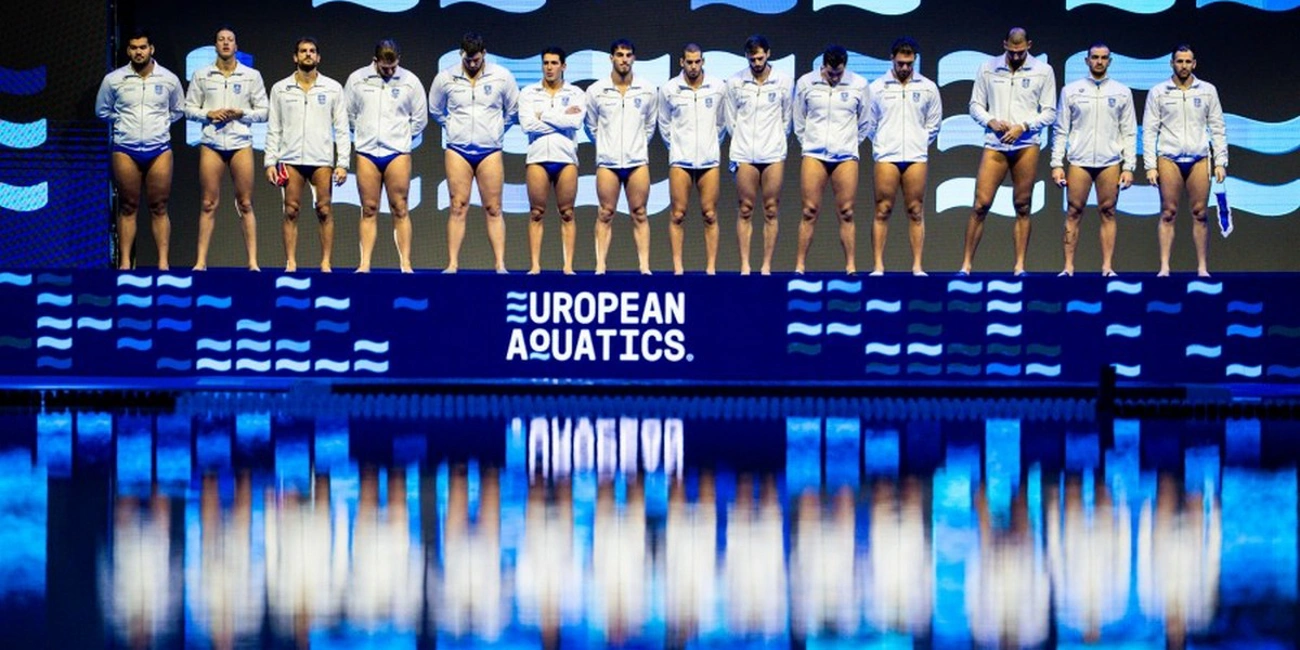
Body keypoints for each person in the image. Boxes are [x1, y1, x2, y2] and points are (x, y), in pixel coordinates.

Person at [962, 28, 1057, 276]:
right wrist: (990, 121)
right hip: (995, 144)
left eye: (1020, 52)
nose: (1015, 56)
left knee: (1023, 205)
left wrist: (1023, 126)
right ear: (1004, 44)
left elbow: (1050, 112)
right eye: (1012, 51)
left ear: (1029, 45)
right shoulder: (987, 68)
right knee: (980, 204)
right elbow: (974, 105)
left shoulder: (1043, 71)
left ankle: (1019, 267)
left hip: (1026, 144)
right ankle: (966, 266)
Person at [429, 32, 519, 273]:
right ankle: (452, 264)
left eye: (476, 59)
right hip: (457, 150)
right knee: (457, 206)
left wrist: (496, 130)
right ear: (461, 54)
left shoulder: (501, 76)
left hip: (490, 151)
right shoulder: (446, 77)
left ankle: (500, 264)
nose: (471, 63)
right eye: (468, 59)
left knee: (494, 208)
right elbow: (435, 109)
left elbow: (513, 110)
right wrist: (451, 127)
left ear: (484, 54)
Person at [95, 28, 184, 270]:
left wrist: (159, 123)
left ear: (151, 49)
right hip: (125, 149)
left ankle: (163, 263)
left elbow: (178, 110)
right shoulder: (114, 80)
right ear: (128, 51)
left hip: (159, 149)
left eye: (143, 47)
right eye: (134, 48)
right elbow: (101, 110)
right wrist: (123, 121)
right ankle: (125, 263)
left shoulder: (168, 79)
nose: (138, 52)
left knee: (159, 206)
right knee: (127, 206)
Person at [184, 26, 268, 271]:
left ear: (236, 46)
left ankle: (252, 262)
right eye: (221, 39)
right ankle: (200, 262)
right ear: (215, 46)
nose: (225, 43)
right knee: (208, 203)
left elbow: (264, 112)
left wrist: (242, 113)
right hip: (211, 143)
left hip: (240, 143)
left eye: (230, 39)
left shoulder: (251, 76)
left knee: (245, 203)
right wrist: (208, 114)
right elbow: (188, 108)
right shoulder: (202, 75)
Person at [263, 37, 350, 272]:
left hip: (321, 158)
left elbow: (342, 128)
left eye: (312, 51)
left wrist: (343, 163)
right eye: (303, 51)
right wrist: (270, 162)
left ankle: (326, 262)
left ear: (318, 57)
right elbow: (274, 127)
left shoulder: (332, 88)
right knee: (290, 210)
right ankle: (291, 262)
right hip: (291, 158)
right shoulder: (281, 88)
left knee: (324, 209)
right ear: (295, 57)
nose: (308, 54)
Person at [1051, 43, 1136, 277]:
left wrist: (1129, 166)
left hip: (1110, 160)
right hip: (1079, 160)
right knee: (1073, 211)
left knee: (1108, 212)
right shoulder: (1071, 90)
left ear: (1110, 61)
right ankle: (1068, 267)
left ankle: (1107, 267)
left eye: (1104, 58)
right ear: (1087, 60)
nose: (1099, 61)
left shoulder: (1122, 92)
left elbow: (1129, 132)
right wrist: (1056, 164)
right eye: (1095, 57)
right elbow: (1060, 130)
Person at [1142, 45, 1227, 277]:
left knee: (1200, 213)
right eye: (1179, 61)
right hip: (1169, 157)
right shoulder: (1159, 92)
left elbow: (1217, 127)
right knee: (1168, 212)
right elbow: (1149, 131)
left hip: (1199, 158)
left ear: (1194, 64)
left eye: (1188, 61)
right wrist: (1150, 166)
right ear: (1172, 63)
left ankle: (1202, 267)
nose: (1184, 66)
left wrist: (1221, 161)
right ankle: (1164, 267)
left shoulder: (1207, 90)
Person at [344, 39, 428, 273]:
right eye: (384, 68)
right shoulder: (357, 79)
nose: (389, 72)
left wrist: (401, 137)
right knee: (369, 208)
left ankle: (406, 264)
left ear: (398, 60)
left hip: (397, 152)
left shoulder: (410, 81)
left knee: (400, 208)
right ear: (375, 61)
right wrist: (364, 133)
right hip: (367, 152)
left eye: (393, 67)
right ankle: (364, 264)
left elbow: (420, 118)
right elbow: (348, 114)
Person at [866, 37, 942, 276]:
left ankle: (917, 266)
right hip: (886, 156)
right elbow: (869, 124)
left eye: (909, 64)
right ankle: (878, 265)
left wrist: (918, 142)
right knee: (882, 210)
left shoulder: (928, 87)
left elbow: (934, 123)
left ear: (915, 60)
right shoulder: (877, 88)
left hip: (915, 156)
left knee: (916, 211)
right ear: (892, 59)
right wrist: (882, 143)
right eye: (900, 63)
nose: (905, 68)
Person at [793, 45, 871, 275]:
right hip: (814, 154)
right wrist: (810, 143)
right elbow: (799, 120)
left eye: (839, 73)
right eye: (830, 73)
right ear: (823, 66)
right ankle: (799, 266)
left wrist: (849, 144)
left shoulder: (859, 85)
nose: (835, 77)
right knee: (809, 210)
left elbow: (865, 123)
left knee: (847, 211)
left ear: (845, 67)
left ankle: (851, 266)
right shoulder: (806, 83)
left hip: (845, 155)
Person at [585, 38, 658, 274]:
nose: (624, 60)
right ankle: (600, 266)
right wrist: (606, 146)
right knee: (605, 213)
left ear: (634, 58)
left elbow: (650, 125)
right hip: (608, 162)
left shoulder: (647, 89)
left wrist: (637, 146)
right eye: (619, 55)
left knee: (640, 213)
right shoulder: (596, 91)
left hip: (637, 161)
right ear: (611, 58)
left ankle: (644, 267)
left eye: (628, 55)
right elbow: (591, 126)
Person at [724, 35, 793, 276]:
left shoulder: (784, 81)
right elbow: (731, 120)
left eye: (760, 58)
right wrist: (743, 142)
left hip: (773, 154)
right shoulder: (735, 82)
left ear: (769, 54)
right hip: (744, 153)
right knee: (745, 209)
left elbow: (786, 119)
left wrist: (775, 142)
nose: (756, 63)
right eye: (752, 59)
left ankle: (766, 266)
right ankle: (745, 265)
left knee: (771, 209)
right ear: (746, 57)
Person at [659, 43, 727, 275]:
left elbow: (721, 123)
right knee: (678, 214)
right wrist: (678, 147)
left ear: (703, 61)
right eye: (689, 62)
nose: (693, 66)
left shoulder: (717, 87)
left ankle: (711, 269)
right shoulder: (670, 89)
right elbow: (664, 124)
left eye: (697, 62)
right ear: (682, 62)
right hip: (681, 160)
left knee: (710, 214)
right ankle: (678, 268)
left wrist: (710, 145)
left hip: (709, 161)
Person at [519, 46, 586, 275]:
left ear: (563, 66)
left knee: (567, 213)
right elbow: (527, 125)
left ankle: (568, 267)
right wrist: (561, 118)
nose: (549, 67)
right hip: (537, 158)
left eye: (554, 63)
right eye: (546, 63)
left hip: (566, 158)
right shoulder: (529, 93)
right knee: (536, 213)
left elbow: (575, 122)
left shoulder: (576, 93)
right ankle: (535, 266)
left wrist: (544, 116)